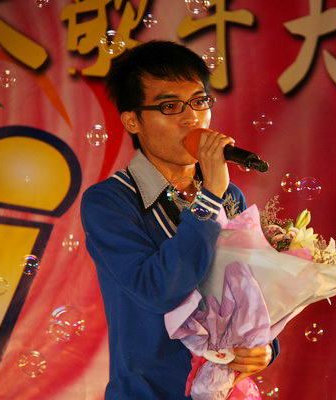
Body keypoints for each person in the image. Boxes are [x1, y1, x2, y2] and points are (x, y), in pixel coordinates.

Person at [81, 40, 278, 399]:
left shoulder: (229, 196)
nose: (192, 119)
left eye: (200, 101)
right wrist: (210, 197)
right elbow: (159, 291)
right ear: (132, 120)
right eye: (170, 106)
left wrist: (264, 348)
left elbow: (251, 294)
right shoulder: (110, 201)